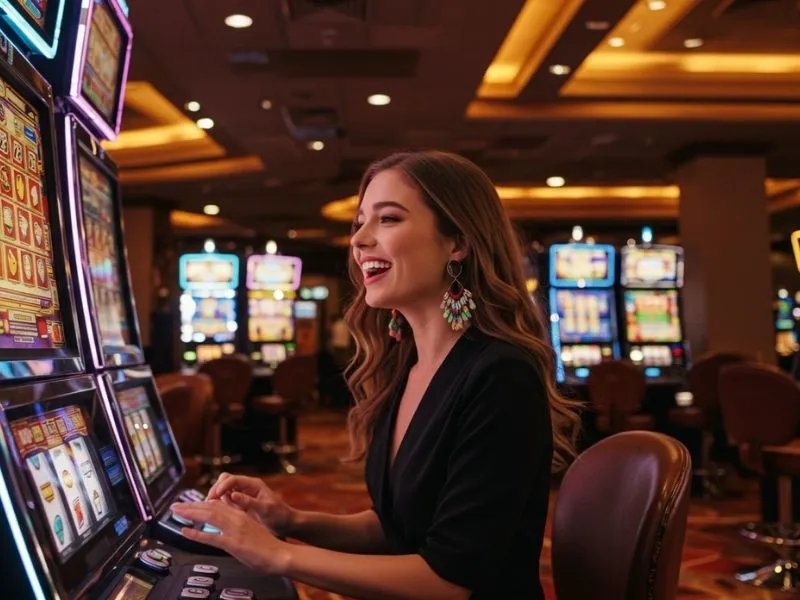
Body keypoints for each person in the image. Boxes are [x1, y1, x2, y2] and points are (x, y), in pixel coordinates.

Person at [171, 151, 582, 599]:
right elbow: (400, 527)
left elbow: (451, 580)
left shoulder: (500, 375)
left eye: (387, 219)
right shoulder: (407, 366)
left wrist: (277, 555)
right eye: (359, 222)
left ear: (457, 242)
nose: (359, 239)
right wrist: (290, 520)